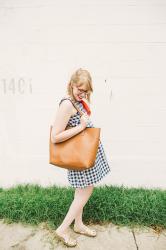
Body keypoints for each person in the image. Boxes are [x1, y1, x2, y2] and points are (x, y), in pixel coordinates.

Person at [51, 68, 111, 247]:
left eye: (86, 91)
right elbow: (55, 136)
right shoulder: (67, 104)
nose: (82, 94)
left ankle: (78, 224)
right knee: (85, 191)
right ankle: (62, 229)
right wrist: (81, 127)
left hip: (84, 156)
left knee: (81, 191)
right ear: (71, 85)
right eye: (79, 89)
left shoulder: (77, 101)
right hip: (79, 157)